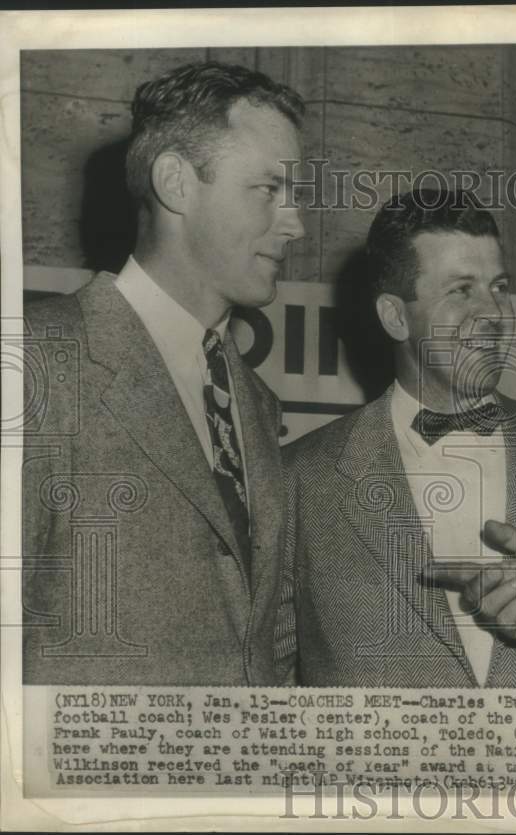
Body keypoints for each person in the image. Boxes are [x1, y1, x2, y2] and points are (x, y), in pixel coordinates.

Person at [283, 189, 516, 687]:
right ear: (394, 316)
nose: (493, 312)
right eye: (461, 290)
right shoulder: (299, 480)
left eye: (499, 286)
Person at [21, 61, 306, 684]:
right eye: (267, 189)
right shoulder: (36, 361)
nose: (295, 224)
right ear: (176, 183)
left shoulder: (254, 400)